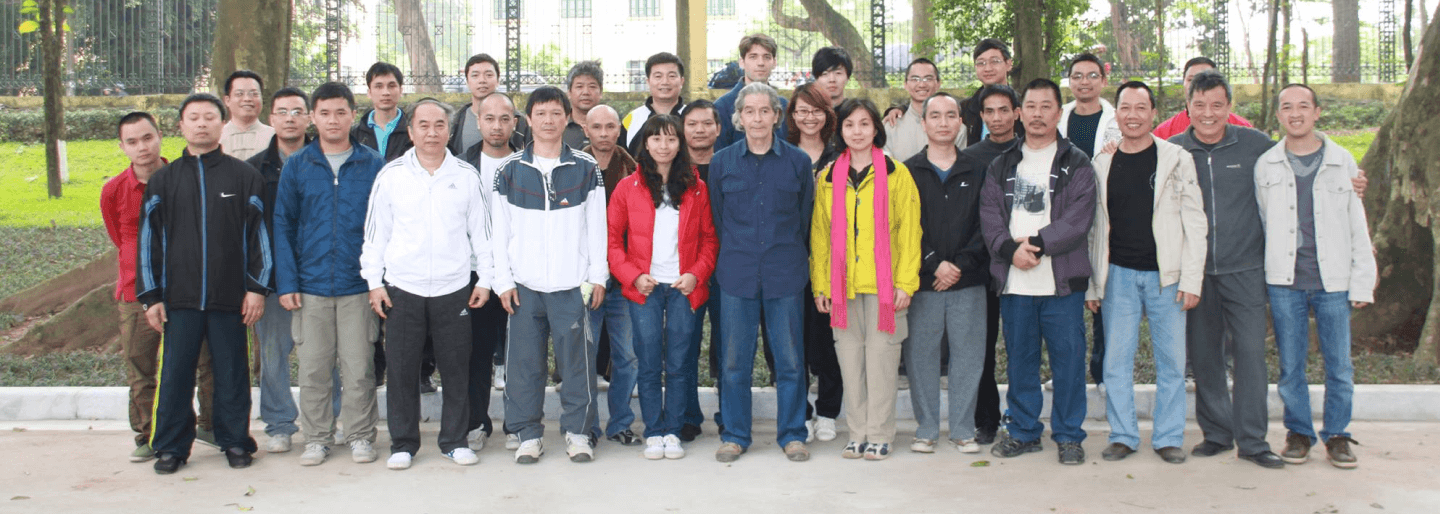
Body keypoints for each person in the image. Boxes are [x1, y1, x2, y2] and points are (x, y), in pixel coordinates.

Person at [138, 93, 270, 474]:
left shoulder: (244, 176)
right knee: (175, 375)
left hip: (231, 298)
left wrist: (256, 288)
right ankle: (171, 446)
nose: (201, 124)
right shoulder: (163, 180)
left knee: (232, 373)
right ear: (181, 125)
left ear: (221, 123)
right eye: (193, 117)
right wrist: (151, 297)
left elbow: (260, 237)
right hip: (178, 300)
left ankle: (235, 441)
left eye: (209, 117)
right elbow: (148, 242)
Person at [361, 98, 492, 470]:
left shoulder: (466, 176)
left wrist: (485, 279)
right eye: (424, 125)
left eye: (439, 125)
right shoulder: (391, 175)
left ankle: (454, 440)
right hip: (403, 287)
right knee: (402, 369)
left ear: (449, 130)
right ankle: (403, 443)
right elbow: (376, 235)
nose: (432, 132)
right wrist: (374, 283)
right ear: (411, 130)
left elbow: (483, 234)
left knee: (456, 369)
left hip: (454, 288)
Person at [1085, 81, 1207, 465]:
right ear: (1116, 114)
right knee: (1115, 363)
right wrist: (1094, 283)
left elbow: (1195, 222)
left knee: (1171, 362)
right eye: (1126, 108)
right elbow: (1094, 230)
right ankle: (1123, 435)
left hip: (1166, 277)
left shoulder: (1176, 158)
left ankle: (1168, 437)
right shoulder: (1102, 163)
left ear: (1154, 113)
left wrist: (1192, 280)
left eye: (1141, 108)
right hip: (1118, 276)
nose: (1133, 115)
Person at [1167, 70, 1283, 468]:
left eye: (1217, 105)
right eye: (1199, 105)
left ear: (1229, 107)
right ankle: (1217, 433)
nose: (1208, 113)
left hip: (1245, 269)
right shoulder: (1174, 151)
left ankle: (1253, 441)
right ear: (1187, 108)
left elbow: (1295, 165)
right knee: (1205, 358)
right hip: (1196, 274)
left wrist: (1351, 178)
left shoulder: (1255, 145)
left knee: (1250, 354)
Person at [979, 78, 1096, 466]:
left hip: (1061, 282)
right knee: (1020, 361)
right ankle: (1024, 431)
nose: (1038, 114)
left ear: (1059, 113)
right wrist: (1010, 251)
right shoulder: (1002, 164)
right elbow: (990, 215)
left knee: (1068, 362)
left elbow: (1078, 218)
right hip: (1016, 282)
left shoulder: (1077, 162)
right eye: (1030, 106)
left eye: (1047, 106)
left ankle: (1069, 435)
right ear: (1019, 113)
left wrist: (1038, 245)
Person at [1259, 84, 1376, 469]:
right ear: (1279, 114)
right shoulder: (1267, 164)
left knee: (1339, 365)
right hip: (1285, 281)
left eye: (1303, 106)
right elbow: (1261, 219)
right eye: (1287, 107)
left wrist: (1363, 279)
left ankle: (1338, 435)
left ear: (1317, 112)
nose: (1295, 114)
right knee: (1291, 365)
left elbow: (1356, 223)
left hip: (1332, 281)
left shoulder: (1342, 161)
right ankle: (1298, 433)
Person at [491, 86, 609, 464]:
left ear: (567, 118)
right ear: (528, 120)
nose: (548, 120)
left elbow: (597, 228)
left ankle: (578, 432)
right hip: (524, 287)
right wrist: (503, 281)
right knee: (524, 366)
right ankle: (527, 434)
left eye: (556, 113)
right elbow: (499, 233)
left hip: (572, 285)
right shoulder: (509, 170)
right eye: (540, 113)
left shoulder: (586, 168)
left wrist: (598, 277)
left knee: (577, 365)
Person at [273, 83, 387, 467]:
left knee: (359, 368)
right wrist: (287, 282)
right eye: (324, 113)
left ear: (353, 115)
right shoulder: (298, 165)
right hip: (311, 287)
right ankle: (317, 438)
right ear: (313, 118)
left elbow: (385, 226)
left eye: (341, 112)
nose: (333, 120)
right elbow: (283, 225)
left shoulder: (373, 164)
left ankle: (360, 435)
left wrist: (377, 281)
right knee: (314, 369)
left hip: (358, 286)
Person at [811, 98, 922, 461]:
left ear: (876, 128)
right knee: (850, 363)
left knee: (882, 362)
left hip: (884, 288)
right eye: (849, 125)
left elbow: (910, 232)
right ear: (840, 130)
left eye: (864, 124)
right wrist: (821, 285)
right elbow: (820, 235)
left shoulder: (896, 173)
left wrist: (906, 282)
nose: (857, 132)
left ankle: (880, 434)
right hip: (842, 288)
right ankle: (857, 433)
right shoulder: (828, 177)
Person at [710, 82, 815, 463]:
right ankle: (735, 435)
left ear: (776, 115)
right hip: (736, 274)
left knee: (790, 361)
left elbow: (805, 218)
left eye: (764, 111)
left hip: (785, 273)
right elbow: (718, 219)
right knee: (734, 362)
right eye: (749, 111)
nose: (757, 118)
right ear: (739, 117)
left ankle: (793, 434)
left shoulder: (798, 162)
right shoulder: (722, 163)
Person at [608, 114, 719, 460]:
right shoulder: (628, 187)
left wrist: (696, 274)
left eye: (671, 139)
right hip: (646, 287)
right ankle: (653, 431)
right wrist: (632, 276)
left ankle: (673, 430)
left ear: (680, 143)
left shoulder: (696, 187)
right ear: (646, 143)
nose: (664, 146)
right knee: (648, 362)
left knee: (680, 362)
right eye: (656, 139)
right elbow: (612, 241)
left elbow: (709, 239)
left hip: (684, 286)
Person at [244, 87, 340, 456]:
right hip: (271, 280)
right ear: (270, 119)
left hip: (320, 274)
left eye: (297, 111)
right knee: (273, 355)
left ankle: (328, 420)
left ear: (309, 117)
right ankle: (280, 424)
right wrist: (255, 282)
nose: (290, 118)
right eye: (282, 112)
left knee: (325, 353)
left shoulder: (327, 161)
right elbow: (249, 230)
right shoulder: (254, 169)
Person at [901, 92, 990, 454]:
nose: (942, 122)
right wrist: (933, 263)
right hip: (924, 282)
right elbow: (902, 226)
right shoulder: (907, 171)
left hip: (968, 281)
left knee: (968, 356)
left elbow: (988, 224)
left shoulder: (979, 169)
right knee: (921, 356)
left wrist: (960, 265)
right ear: (923, 123)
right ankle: (925, 429)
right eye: (934, 115)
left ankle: (963, 429)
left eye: (950, 115)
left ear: (960, 122)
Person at [102, 112, 171, 463]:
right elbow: (118, 236)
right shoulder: (114, 189)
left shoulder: (181, 178)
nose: (142, 147)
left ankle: (206, 425)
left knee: (203, 363)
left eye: (147, 138)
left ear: (160, 136)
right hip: (134, 292)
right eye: (132, 142)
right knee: (140, 367)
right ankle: (147, 435)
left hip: (183, 288)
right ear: (122, 147)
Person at [459, 92, 521, 453]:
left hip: (519, 273)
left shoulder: (528, 163)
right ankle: (476, 423)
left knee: (519, 353)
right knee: (476, 353)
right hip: (475, 274)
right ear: (478, 121)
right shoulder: (461, 166)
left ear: (515, 122)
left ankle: (517, 424)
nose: (497, 126)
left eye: (504, 119)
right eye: (490, 118)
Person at [960, 83, 1021, 445]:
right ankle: (986, 419)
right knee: (981, 347)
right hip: (981, 269)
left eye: (1004, 110)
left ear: (1016, 113)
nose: (997, 118)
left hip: (1023, 265)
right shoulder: (970, 157)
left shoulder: (1031, 152)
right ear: (981, 116)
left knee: (1020, 347)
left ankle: (1020, 417)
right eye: (990, 111)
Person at [784, 83, 843, 443]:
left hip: (833, 261)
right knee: (793, 340)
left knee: (829, 338)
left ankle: (829, 411)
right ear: (792, 115)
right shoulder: (782, 155)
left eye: (816, 110)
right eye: (802, 111)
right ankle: (801, 413)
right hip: (790, 261)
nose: (809, 118)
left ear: (827, 114)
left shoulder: (841, 157)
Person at [1058, 52, 1120, 390]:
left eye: (1092, 75)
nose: (1085, 82)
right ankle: (1065, 372)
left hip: (1104, 216)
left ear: (1103, 80)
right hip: (1064, 217)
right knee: (1065, 299)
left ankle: (1102, 372)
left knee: (1102, 296)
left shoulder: (1116, 119)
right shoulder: (1059, 117)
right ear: (1070, 81)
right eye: (1078, 76)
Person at [581, 103, 641, 446]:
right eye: (597, 127)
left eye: (610, 127)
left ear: (619, 130)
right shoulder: (572, 168)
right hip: (585, 280)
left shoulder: (635, 172)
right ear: (585, 130)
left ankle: (620, 422)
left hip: (624, 279)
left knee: (627, 356)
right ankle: (587, 427)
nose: (604, 133)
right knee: (584, 356)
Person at [678, 99, 723, 441]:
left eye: (707, 123)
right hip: (686, 272)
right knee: (685, 346)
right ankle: (688, 415)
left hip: (727, 272)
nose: (700, 130)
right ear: (682, 130)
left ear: (718, 129)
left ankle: (729, 413)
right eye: (692, 124)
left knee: (726, 347)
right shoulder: (674, 171)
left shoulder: (729, 165)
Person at [883, 57, 966, 161]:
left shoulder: (956, 128)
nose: (922, 84)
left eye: (928, 79)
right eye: (915, 79)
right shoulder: (890, 127)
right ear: (905, 84)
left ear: (938, 83)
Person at [1152, 57, 1255, 140]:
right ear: (1183, 83)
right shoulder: (1163, 132)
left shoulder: (1243, 128)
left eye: (1205, 79)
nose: (1198, 85)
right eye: (1191, 79)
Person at [714, 34, 786, 149]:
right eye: (753, 57)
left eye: (767, 57)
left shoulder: (784, 105)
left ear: (774, 62)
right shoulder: (722, 107)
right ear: (742, 62)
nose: (760, 63)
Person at [450, 53, 528, 154]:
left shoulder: (521, 123)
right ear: (467, 82)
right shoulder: (455, 121)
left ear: (498, 80)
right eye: (475, 75)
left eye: (489, 75)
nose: (482, 80)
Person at [621, 52, 687, 156]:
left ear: (682, 81)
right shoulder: (631, 119)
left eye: (671, 76)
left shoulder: (692, 118)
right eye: (658, 76)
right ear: (648, 81)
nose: (665, 82)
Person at [961, 39, 1023, 147]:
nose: (988, 68)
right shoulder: (964, 109)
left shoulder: (1024, 106)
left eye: (994, 61)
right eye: (981, 63)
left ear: (1009, 64)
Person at [352, 62, 413, 161]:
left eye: (391, 86)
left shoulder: (413, 131)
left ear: (401, 91)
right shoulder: (354, 135)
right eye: (379, 86)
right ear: (369, 92)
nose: (386, 92)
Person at [218, 70, 273, 160]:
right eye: (239, 94)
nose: (247, 99)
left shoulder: (275, 137)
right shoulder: (216, 137)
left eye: (254, 94)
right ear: (227, 100)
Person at [565, 61, 604, 149]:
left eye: (592, 86)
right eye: (579, 86)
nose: (586, 92)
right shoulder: (558, 127)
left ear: (601, 92)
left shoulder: (612, 127)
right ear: (569, 92)